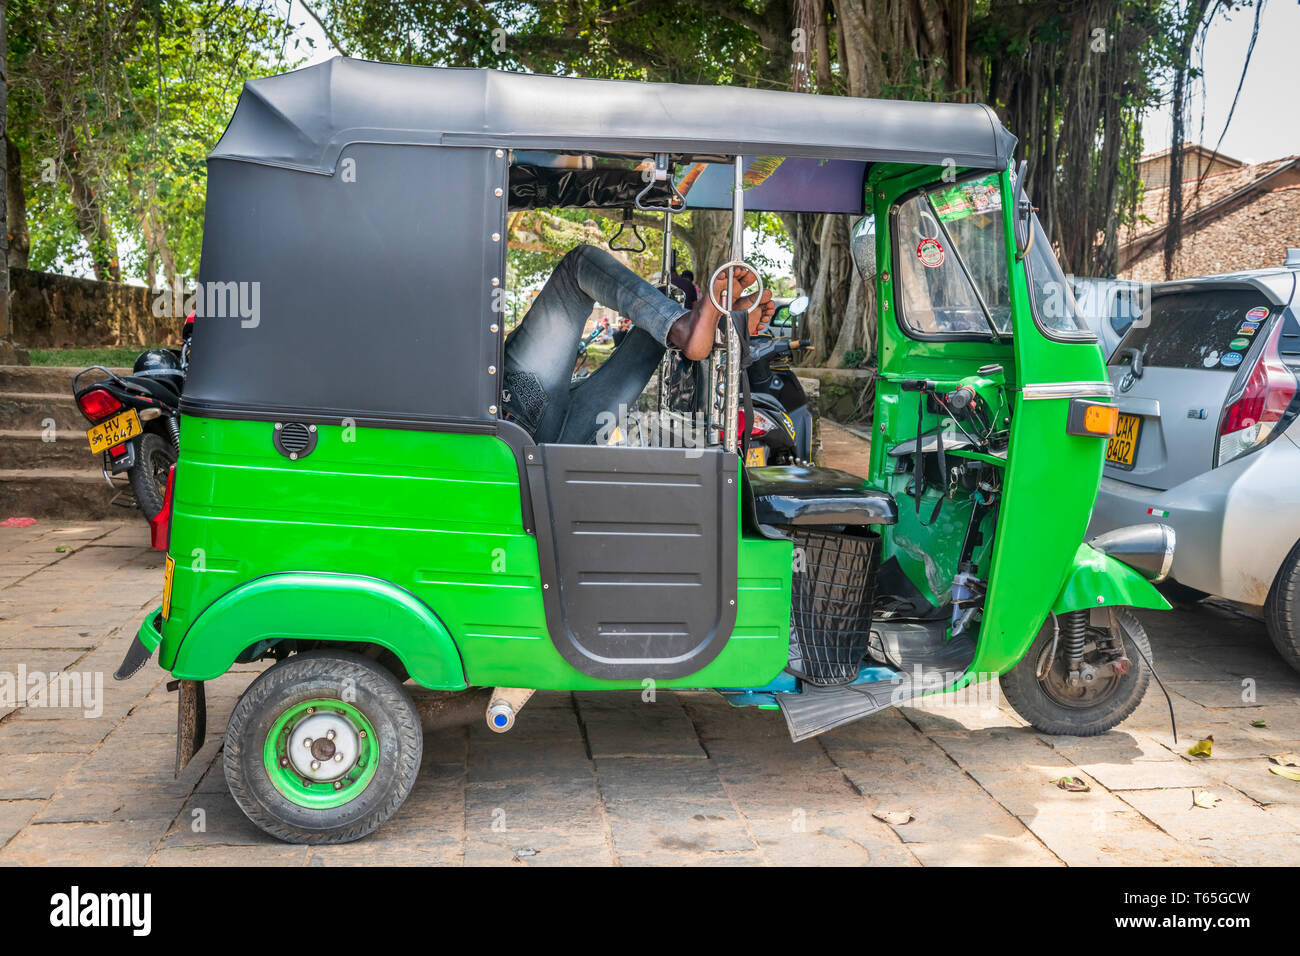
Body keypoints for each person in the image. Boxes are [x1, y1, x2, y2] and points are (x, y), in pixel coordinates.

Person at [502, 244, 773, 445]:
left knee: (657, 319)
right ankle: (685, 324)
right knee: (579, 264)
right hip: (515, 407)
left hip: (551, 444)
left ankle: (710, 329)